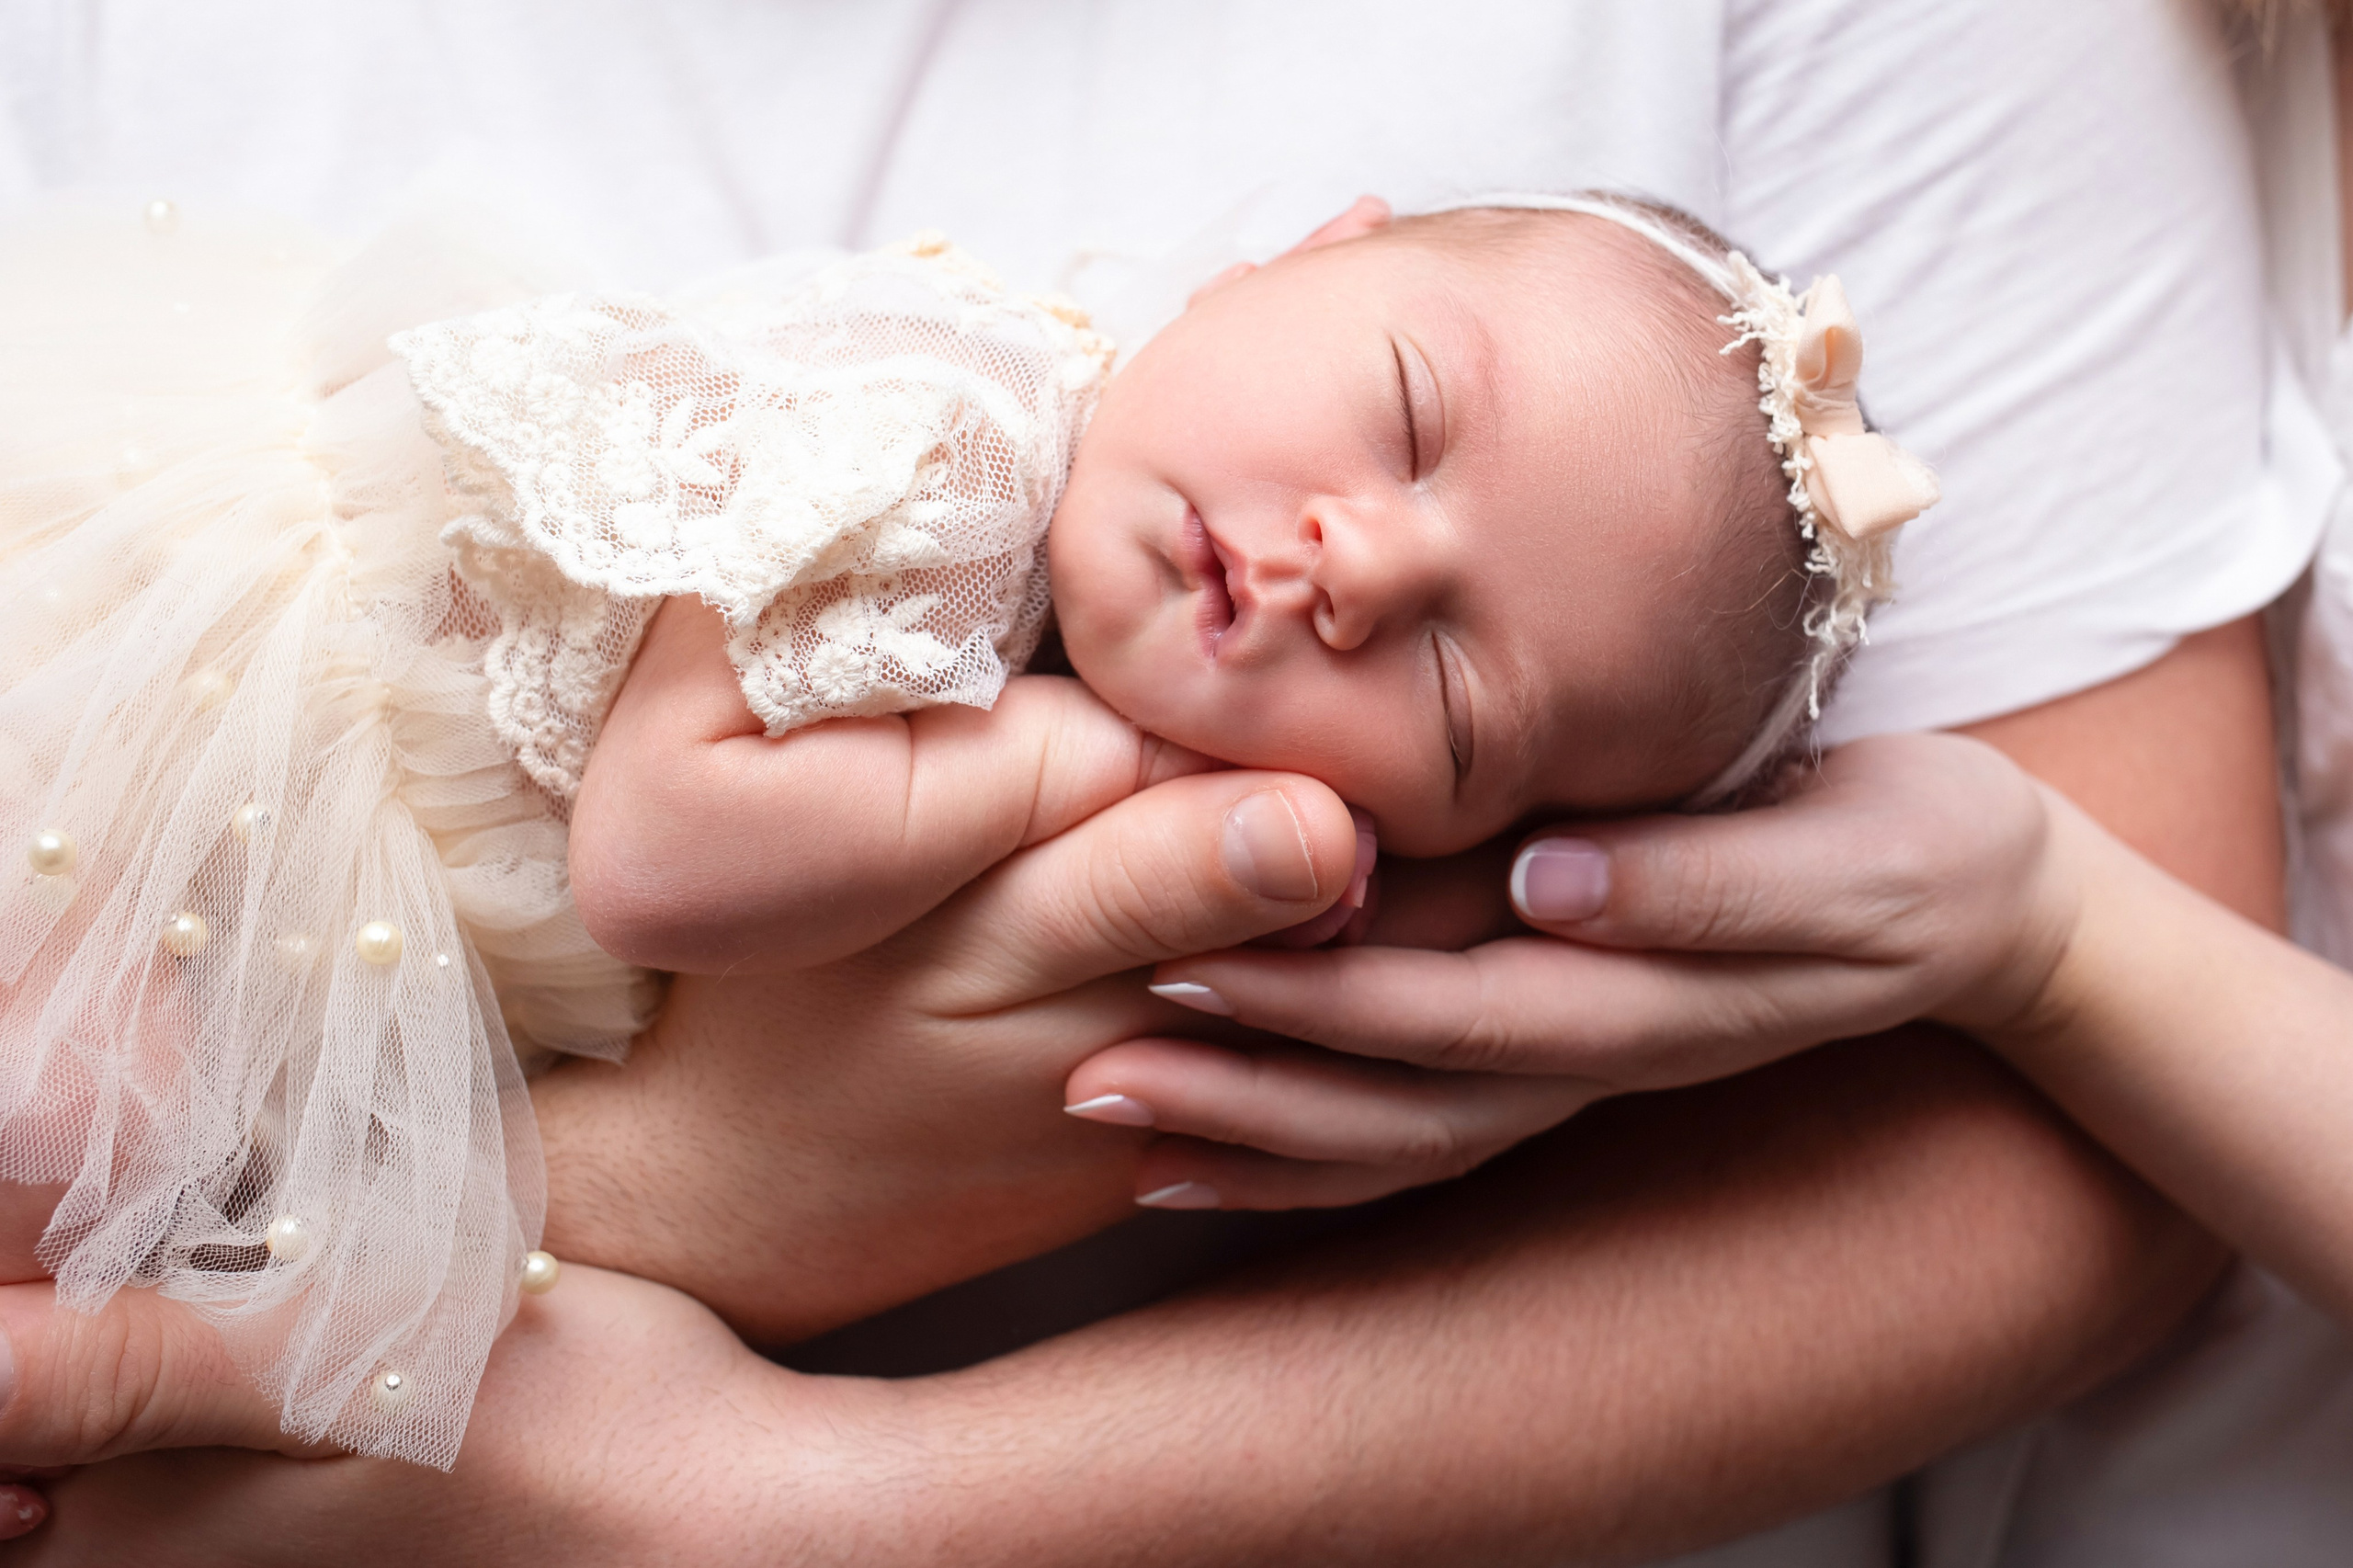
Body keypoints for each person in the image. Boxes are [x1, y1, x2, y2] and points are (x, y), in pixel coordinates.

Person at [0, 1, 2323, 1562]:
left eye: (1447, 710)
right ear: (1311, 249)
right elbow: (661, 843)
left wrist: (839, 1497)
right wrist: (719, 1189)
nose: (1348, 565)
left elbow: (2081, 1078)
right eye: (1401, 410)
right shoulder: (948, 437)